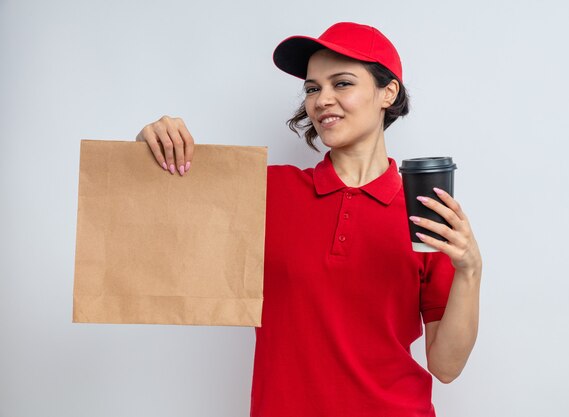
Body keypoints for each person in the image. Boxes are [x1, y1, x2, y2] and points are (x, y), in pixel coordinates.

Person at [136, 22, 482, 417]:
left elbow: (446, 367)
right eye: (313, 88)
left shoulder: (425, 212)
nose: (322, 100)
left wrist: (470, 270)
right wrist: (152, 146)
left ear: (388, 92)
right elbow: (154, 215)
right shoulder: (267, 191)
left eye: (342, 83)